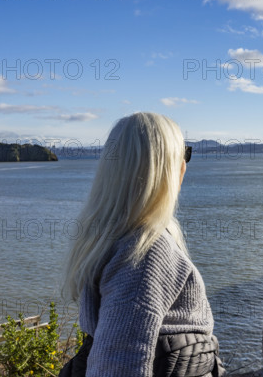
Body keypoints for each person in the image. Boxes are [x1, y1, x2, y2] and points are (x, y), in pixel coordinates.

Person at [60, 112, 224, 376]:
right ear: (166, 167)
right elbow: (117, 369)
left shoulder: (117, 238)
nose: (185, 163)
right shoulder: (144, 254)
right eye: (184, 153)